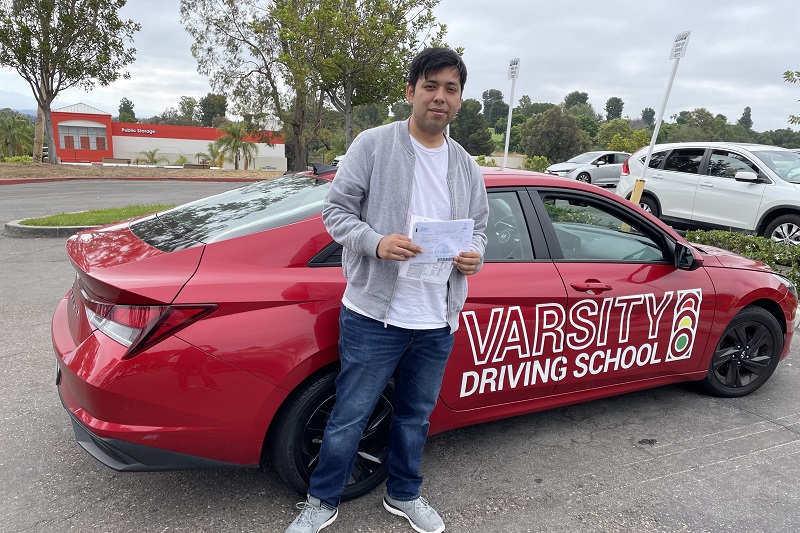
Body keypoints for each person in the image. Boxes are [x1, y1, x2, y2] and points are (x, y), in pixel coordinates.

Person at [285, 46, 489, 533]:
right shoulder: (374, 145)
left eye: (451, 89)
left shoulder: (465, 165)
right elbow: (335, 212)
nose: (440, 97)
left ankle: (404, 494)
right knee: (350, 414)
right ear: (411, 91)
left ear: (460, 100)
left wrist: (475, 255)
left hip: (436, 317)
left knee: (416, 417)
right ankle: (322, 500)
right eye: (431, 86)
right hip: (375, 314)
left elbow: (479, 228)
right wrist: (376, 243)